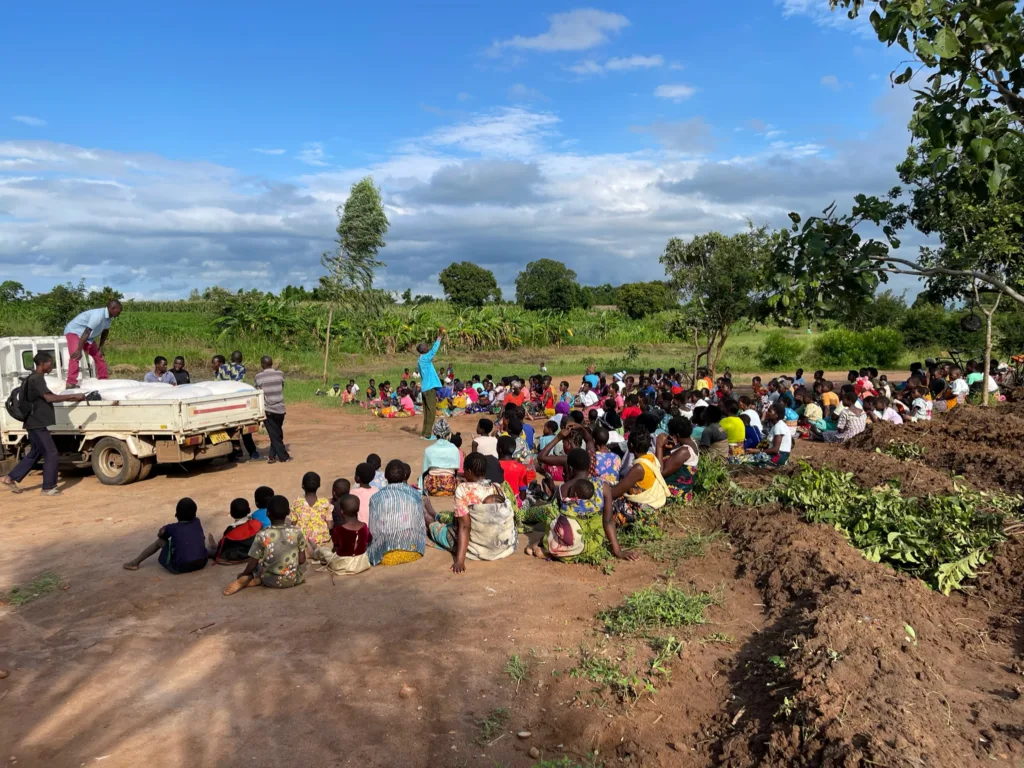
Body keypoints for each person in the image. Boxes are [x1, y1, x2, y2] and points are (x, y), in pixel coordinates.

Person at [3, 352, 89, 496]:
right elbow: (48, 398)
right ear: (42, 364)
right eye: (50, 363)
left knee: (36, 452)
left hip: (32, 422)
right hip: (36, 422)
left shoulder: (33, 378)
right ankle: (48, 487)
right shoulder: (37, 379)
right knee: (51, 452)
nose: (52, 365)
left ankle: (10, 478)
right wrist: (74, 396)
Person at [425, 452, 514, 573]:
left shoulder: (463, 490)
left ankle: (428, 518)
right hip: (496, 543)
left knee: (437, 529)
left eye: (465, 470)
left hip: (475, 544)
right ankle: (432, 514)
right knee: (451, 518)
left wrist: (460, 561)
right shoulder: (497, 487)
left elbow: (465, 526)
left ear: (469, 472)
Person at [223, 494, 307, 594]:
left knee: (260, 566)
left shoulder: (262, 534)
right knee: (302, 566)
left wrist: (244, 573)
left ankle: (253, 578)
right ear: (288, 512)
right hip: (293, 579)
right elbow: (302, 560)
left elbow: (253, 562)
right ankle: (258, 580)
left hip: (269, 579)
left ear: (267, 513)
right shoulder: (297, 532)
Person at [122, 497, 207, 573]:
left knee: (160, 541)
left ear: (176, 515)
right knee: (194, 543)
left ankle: (135, 563)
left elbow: (160, 535)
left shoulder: (172, 528)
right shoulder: (197, 521)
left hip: (179, 567)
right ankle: (210, 553)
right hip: (202, 563)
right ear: (195, 513)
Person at [367, 460, 427, 566]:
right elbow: (420, 524)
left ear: (385, 476)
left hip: (384, 555)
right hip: (414, 549)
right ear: (405, 475)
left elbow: (373, 530)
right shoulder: (416, 494)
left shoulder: (375, 498)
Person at [63, 299, 122, 388]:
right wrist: (79, 349)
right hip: (74, 332)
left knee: (99, 356)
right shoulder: (98, 315)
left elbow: (105, 331)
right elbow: (87, 331)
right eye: (119, 311)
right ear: (112, 308)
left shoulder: (109, 318)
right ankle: (70, 382)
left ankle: (103, 380)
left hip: (87, 336)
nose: (119, 313)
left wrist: (101, 347)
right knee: (76, 356)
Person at [255, 355, 290, 463]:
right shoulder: (280, 374)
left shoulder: (259, 377)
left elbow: (257, 392)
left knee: (275, 435)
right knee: (277, 433)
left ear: (262, 365)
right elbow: (282, 387)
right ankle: (271, 456)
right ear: (271, 363)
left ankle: (284, 457)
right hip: (280, 409)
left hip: (269, 409)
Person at [325, 493, 373, 575]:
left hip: (343, 564)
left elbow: (336, 547)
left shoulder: (338, 530)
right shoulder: (364, 526)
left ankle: (315, 550)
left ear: (341, 511)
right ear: (358, 509)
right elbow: (369, 539)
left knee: (324, 552)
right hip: (362, 563)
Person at [207, 498, 263, 564]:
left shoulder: (230, 530)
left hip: (234, 557)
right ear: (249, 510)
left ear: (231, 513)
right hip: (253, 554)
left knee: (209, 552)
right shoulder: (256, 524)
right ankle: (214, 546)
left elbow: (223, 546)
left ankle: (213, 547)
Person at [289, 472, 332, 554]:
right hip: (322, 538)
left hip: (301, 538)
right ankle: (316, 548)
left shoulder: (296, 503)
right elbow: (330, 526)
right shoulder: (325, 502)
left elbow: (293, 524)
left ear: (302, 486)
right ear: (319, 486)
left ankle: (308, 546)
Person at [739, 402, 793, 468]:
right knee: (747, 458)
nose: (767, 412)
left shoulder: (779, 426)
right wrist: (754, 449)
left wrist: (757, 451)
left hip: (778, 456)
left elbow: (775, 449)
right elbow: (768, 442)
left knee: (745, 461)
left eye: (770, 411)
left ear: (776, 415)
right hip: (777, 455)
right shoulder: (776, 426)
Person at [657, 417, 699, 499]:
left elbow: (660, 473)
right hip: (683, 490)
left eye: (671, 434)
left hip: (676, 495)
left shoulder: (684, 451)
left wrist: (659, 446)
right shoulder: (691, 442)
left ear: (677, 435)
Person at [417, 329, 446, 439]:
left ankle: (424, 433)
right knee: (431, 412)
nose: (427, 347)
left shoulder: (420, 360)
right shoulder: (425, 358)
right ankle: (428, 435)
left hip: (425, 388)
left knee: (426, 412)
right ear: (424, 350)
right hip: (429, 388)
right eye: (426, 346)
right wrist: (439, 335)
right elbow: (434, 350)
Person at [421, 418, 462, 496]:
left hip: (432, 488)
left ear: (435, 433)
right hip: (450, 488)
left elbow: (424, 472)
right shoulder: (454, 449)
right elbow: (456, 470)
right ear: (448, 433)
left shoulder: (429, 449)